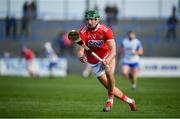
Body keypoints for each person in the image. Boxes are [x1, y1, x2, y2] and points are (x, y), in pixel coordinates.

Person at [77, 10, 137, 112]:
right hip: (93, 62)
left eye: (91, 19)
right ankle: (130, 101)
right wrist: (82, 57)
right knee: (110, 87)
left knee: (109, 73)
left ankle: (110, 100)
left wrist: (107, 60)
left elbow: (113, 50)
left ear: (97, 20)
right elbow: (81, 50)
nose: (89, 21)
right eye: (87, 19)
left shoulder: (106, 30)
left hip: (107, 56)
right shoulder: (82, 31)